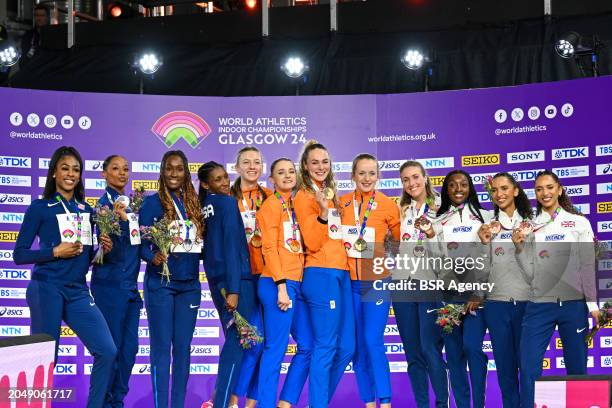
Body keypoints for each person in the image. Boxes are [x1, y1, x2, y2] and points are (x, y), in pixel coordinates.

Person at [13, 146, 116, 408]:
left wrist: (102, 250)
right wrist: (54, 251)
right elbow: (19, 254)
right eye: (65, 168)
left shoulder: (87, 211)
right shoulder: (40, 207)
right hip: (47, 287)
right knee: (46, 360)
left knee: (107, 350)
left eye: (76, 169)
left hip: (78, 290)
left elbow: (85, 254)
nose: (71, 174)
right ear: (54, 173)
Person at [514, 170, 598, 408]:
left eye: (549, 187)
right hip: (539, 304)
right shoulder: (529, 226)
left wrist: (592, 306)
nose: (545, 193)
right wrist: (519, 248)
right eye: (539, 189)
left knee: (577, 367)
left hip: (573, 304)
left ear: (559, 189)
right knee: (529, 365)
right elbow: (527, 271)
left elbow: (587, 265)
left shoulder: (579, 222)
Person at [139, 150, 204, 408]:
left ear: (186, 172)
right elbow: (139, 243)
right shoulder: (150, 203)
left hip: (189, 285)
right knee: (161, 349)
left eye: (179, 168)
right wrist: (151, 256)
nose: (174, 173)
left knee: (183, 350)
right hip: (161, 285)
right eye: (169, 168)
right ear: (162, 171)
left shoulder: (195, 204)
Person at [293, 140, 353, 408]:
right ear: (305, 166)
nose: (320, 166)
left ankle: (317, 402)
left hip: (342, 272)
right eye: (314, 162)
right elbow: (314, 242)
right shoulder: (304, 196)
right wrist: (324, 212)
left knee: (348, 346)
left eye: (325, 161)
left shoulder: (330, 193)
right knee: (325, 346)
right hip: (320, 272)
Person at [339, 154, 400, 408]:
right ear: (353, 175)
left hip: (376, 281)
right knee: (356, 347)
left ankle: (385, 402)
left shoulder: (388, 204)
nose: (366, 178)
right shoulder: (341, 203)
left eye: (372, 173)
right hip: (348, 283)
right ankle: (368, 403)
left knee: (373, 340)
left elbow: (398, 242)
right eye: (361, 173)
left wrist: (385, 259)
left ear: (378, 176)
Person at [198, 161, 257, 408]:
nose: (224, 183)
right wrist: (233, 290)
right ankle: (222, 402)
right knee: (237, 342)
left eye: (225, 178)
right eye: (218, 179)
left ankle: (222, 400)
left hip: (216, 282)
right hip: (238, 283)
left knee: (238, 341)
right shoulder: (227, 202)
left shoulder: (202, 207)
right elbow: (233, 248)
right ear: (205, 184)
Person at [256, 158, 312, 408]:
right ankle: (266, 404)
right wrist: (281, 287)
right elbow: (268, 247)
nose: (288, 176)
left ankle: (285, 402)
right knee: (275, 350)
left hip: (297, 283)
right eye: (281, 172)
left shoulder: (298, 204)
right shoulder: (270, 205)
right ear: (272, 179)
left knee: (307, 346)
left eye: (291, 171)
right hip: (278, 283)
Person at [433, 170, 492, 408]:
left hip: (477, 296)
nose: (458, 189)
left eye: (464, 184)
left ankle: (478, 404)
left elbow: (490, 256)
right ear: (446, 190)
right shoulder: (437, 222)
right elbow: (432, 257)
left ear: (470, 188)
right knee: (454, 354)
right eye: (453, 185)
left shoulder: (485, 216)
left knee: (472, 347)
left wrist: (480, 291)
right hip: (448, 296)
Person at [392, 160, 448, 408]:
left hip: (429, 286)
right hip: (403, 286)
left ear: (425, 178)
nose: (411, 183)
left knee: (429, 348)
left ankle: (442, 403)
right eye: (406, 179)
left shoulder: (441, 210)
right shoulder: (400, 211)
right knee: (412, 354)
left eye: (415, 177)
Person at [477, 172, 532, 408]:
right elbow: (481, 266)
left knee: (529, 368)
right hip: (496, 304)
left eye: (505, 188)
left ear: (516, 191)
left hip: (528, 304)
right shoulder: (487, 224)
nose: (499, 194)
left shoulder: (533, 222)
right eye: (495, 190)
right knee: (505, 371)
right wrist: (482, 244)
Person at [91, 155, 142, 407]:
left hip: (131, 290)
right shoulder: (101, 209)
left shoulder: (132, 207)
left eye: (126, 169)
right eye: (115, 169)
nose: (122, 173)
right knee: (110, 352)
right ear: (103, 174)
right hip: (109, 288)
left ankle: (117, 402)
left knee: (129, 351)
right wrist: (103, 248)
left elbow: (138, 244)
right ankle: (103, 402)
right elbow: (93, 254)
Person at [228, 147, 271, 408]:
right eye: (247, 162)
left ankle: (251, 404)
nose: (252, 167)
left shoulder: (270, 197)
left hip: (267, 276)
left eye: (257, 162)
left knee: (264, 345)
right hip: (241, 280)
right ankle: (233, 402)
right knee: (251, 343)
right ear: (237, 167)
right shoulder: (227, 199)